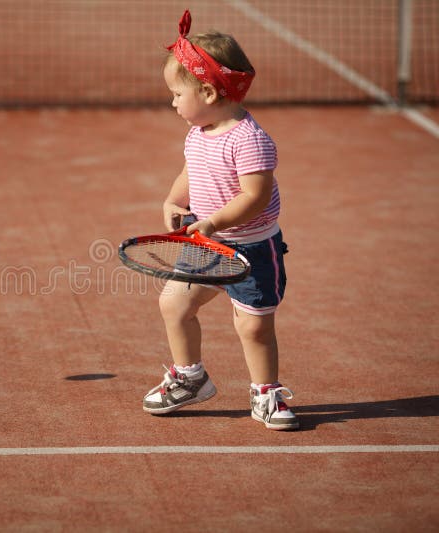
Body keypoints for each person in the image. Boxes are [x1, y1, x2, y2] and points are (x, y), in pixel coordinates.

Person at [141, 10, 298, 430]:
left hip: (251, 248)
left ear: (208, 92)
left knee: (253, 328)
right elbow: (192, 170)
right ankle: (190, 377)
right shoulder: (200, 132)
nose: (173, 102)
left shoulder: (250, 140)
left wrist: (210, 222)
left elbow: (255, 197)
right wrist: (174, 199)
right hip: (208, 246)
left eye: (177, 94)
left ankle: (266, 394)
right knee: (174, 304)